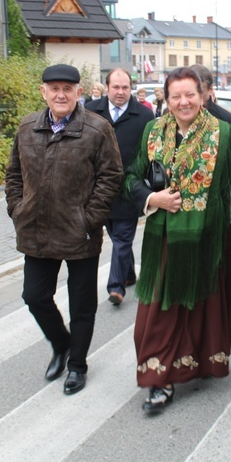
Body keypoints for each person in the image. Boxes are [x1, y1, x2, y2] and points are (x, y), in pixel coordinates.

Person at [124, 67, 231, 414]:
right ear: (166, 98)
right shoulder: (152, 131)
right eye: (175, 95)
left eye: (190, 94)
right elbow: (130, 178)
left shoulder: (223, 132)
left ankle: (198, 365)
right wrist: (152, 198)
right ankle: (157, 380)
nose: (183, 101)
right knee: (158, 311)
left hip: (209, 238)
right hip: (163, 238)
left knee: (201, 307)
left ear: (203, 95)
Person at [5, 64, 123, 395]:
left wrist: (89, 218)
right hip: (36, 229)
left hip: (79, 232)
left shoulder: (97, 129)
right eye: (54, 88)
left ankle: (77, 365)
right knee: (35, 295)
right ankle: (62, 343)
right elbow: (13, 172)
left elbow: (111, 176)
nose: (61, 94)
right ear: (43, 91)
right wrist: (17, 209)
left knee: (81, 304)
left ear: (78, 93)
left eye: (67, 89)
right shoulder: (28, 126)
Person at [86, 68, 155, 305]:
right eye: (116, 87)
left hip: (128, 187)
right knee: (116, 237)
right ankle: (128, 274)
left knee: (123, 237)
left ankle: (115, 288)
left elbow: (150, 153)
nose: (120, 92)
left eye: (125, 87)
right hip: (99, 189)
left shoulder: (144, 116)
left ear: (131, 89)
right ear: (107, 87)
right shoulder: (90, 111)